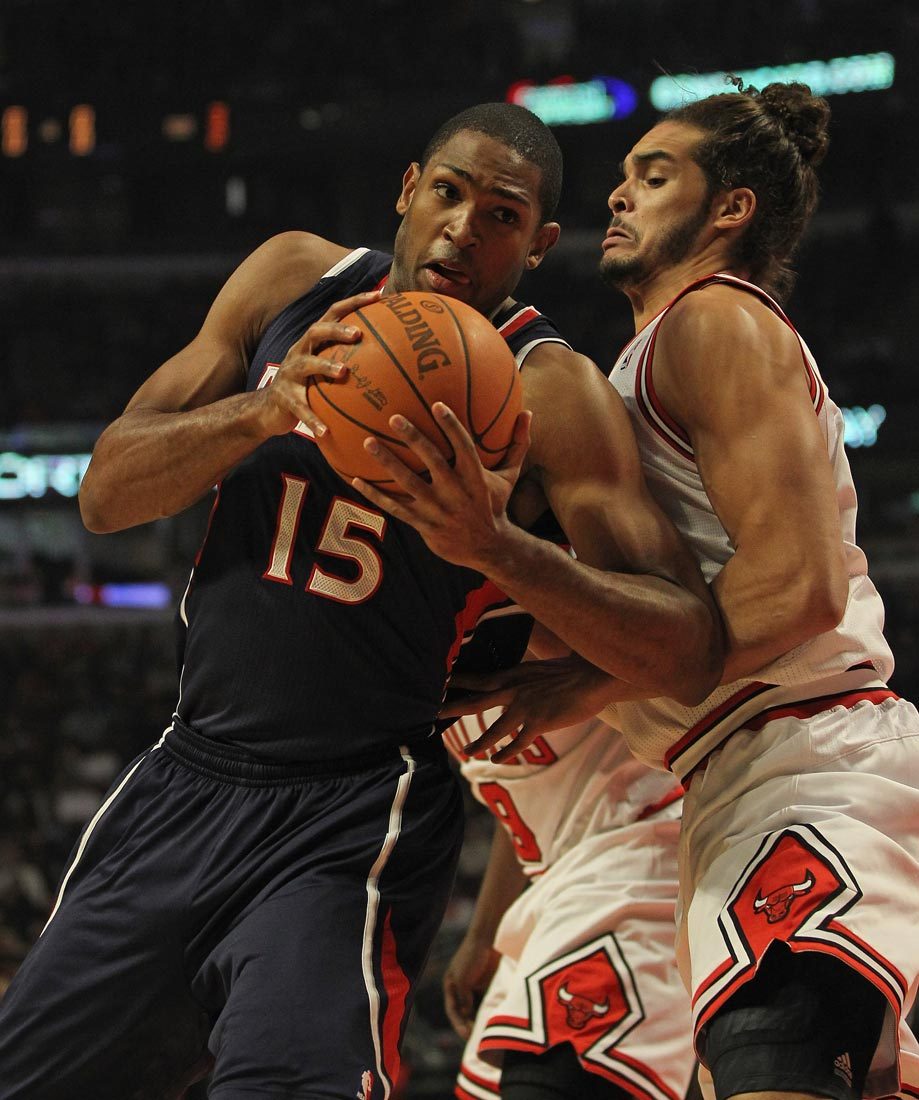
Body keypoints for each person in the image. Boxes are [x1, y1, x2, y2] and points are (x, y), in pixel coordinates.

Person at [0, 103, 722, 1100]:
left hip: (355, 807)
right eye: (448, 192)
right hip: (186, 772)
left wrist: (497, 546)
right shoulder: (295, 279)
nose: (464, 226)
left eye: (502, 215)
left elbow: (685, 641)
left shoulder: (549, 390)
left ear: (541, 244)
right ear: (407, 189)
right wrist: (265, 408)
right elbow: (106, 490)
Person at [376, 83, 919, 1100]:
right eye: (621, 178)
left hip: (803, 754)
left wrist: (587, 673)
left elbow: (798, 589)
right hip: (734, 779)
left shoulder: (712, 321)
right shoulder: (643, 361)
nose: (619, 196)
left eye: (653, 176)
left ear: (729, 210)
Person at [441, 613, 694, 1100]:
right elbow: (523, 792)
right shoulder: (437, 614)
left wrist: (517, 588)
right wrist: (484, 935)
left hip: (643, 853)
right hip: (556, 884)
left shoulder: (553, 577)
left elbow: (683, 653)